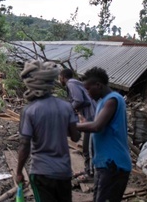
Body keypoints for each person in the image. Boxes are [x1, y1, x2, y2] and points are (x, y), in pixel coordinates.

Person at [16, 60, 81, 202]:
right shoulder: (66, 107)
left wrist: (19, 171)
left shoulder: (29, 110)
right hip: (64, 172)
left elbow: (24, 144)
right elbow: (75, 137)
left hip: (41, 172)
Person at [77, 67, 131, 202]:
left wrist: (70, 126)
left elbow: (97, 126)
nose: (87, 94)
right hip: (104, 164)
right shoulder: (103, 101)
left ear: (98, 85)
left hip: (113, 163)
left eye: (88, 89)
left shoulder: (112, 100)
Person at [59, 68, 96, 178]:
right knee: (87, 147)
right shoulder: (76, 83)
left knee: (88, 148)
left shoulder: (71, 83)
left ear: (62, 77)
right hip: (90, 117)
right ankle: (88, 170)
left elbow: (79, 100)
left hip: (92, 118)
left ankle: (90, 173)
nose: (59, 79)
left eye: (59, 77)